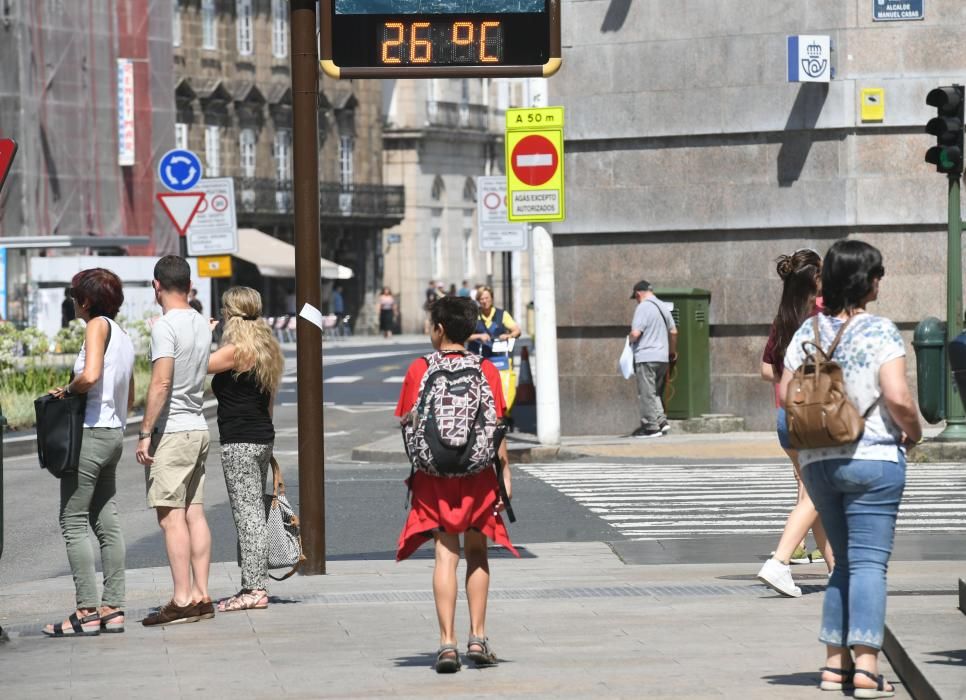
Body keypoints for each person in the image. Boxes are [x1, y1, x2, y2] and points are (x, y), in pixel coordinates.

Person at [780, 239, 920, 697]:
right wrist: (913, 431)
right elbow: (897, 396)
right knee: (868, 567)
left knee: (841, 565)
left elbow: (786, 395)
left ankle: (832, 668)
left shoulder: (806, 333)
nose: (881, 281)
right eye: (877, 273)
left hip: (819, 462)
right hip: (872, 458)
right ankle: (865, 669)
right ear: (866, 281)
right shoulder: (881, 331)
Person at [396, 296, 517, 673]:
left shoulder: (420, 368)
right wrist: (506, 474)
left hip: (434, 477)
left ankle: (447, 644)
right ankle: (477, 637)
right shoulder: (485, 369)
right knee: (477, 553)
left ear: (439, 329)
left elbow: (406, 419)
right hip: (478, 474)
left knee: (445, 555)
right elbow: (496, 428)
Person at [42, 269, 135, 637]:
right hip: (113, 432)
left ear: (86, 300)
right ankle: (113, 608)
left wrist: (68, 389)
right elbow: (130, 391)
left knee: (73, 520)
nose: (73, 302)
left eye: (74, 296)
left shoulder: (96, 326)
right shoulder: (124, 335)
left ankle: (86, 611)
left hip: (92, 432)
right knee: (106, 518)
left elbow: (91, 375)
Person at [136, 255, 214, 627]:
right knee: (194, 513)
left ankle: (181, 599)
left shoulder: (165, 326)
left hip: (173, 429)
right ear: (188, 285)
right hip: (199, 425)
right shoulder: (202, 323)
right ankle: (201, 594)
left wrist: (144, 432)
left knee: (170, 518)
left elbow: (161, 382)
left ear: (157, 286)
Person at [757, 250, 834, 598]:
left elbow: (765, 370)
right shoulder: (822, 316)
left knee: (813, 494)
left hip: (785, 415)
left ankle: (837, 570)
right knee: (817, 493)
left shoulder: (783, 318)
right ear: (816, 280)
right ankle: (780, 561)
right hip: (814, 415)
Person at [208, 287, 284, 613]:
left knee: (248, 516)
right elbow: (269, 400)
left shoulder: (235, 351)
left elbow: (198, 365)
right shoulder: (266, 348)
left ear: (230, 313)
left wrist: (200, 334)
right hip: (261, 437)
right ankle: (253, 584)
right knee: (254, 512)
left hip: (239, 441)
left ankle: (254, 589)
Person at [627, 280, 677, 438]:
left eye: (635, 297)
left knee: (646, 393)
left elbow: (635, 333)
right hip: (662, 357)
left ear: (638, 293)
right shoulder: (663, 306)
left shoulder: (643, 307)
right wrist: (672, 352)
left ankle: (651, 427)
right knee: (654, 393)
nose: (636, 300)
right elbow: (674, 332)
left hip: (646, 356)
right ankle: (662, 422)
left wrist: (629, 341)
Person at [466, 286, 521, 364]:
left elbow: (517, 331)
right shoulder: (473, 315)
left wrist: (509, 336)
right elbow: (464, 336)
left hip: (498, 360)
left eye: (487, 298)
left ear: (492, 298)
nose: (485, 301)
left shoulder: (502, 314)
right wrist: (479, 336)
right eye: (482, 299)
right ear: (478, 300)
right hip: (477, 360)